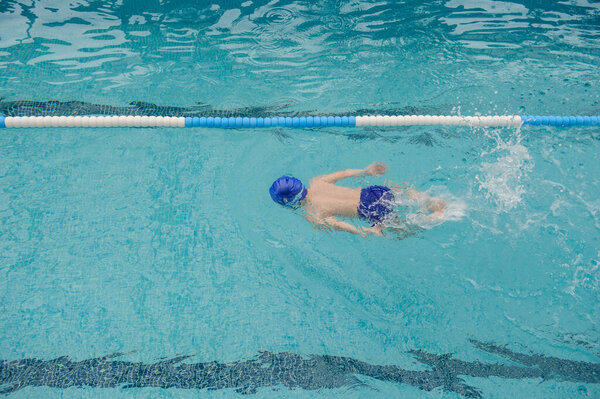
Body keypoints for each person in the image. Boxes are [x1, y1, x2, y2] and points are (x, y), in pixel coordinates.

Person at [268, 162, 446, 236]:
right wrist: (365, 171)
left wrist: (363, 232)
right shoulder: (317, 181)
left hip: (368, 210)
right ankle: (432, 201)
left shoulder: (311, 213)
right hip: (372, 192)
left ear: (290, 203)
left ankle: (436, 217)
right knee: (402, 192)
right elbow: (344, 173)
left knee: (399, 231)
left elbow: (338, 224)